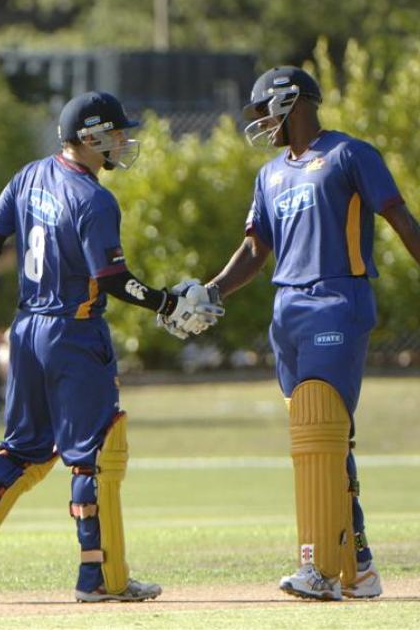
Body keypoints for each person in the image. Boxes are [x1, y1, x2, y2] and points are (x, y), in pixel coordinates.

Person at [0, 91, 223, 604]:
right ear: (90, 138)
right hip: (76, 332)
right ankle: (102, 579)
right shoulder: (94, 199)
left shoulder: (27, 177)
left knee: (24, 450)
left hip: (26, 332)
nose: (123, 141)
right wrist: (165, 303)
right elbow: (110, 277)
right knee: (95, 456)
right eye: (115, 133)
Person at [178, 66, 420, 601]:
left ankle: (319, 568)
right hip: (286, 311)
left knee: (321, 433)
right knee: (325, 440)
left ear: (292, 103)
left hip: (338, 299)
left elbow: (400, 217)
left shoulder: (350, 154)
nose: (262, 122)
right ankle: (356, 565)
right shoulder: (269, 175)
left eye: (265, 110)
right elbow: (255, 249)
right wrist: (212, 292)